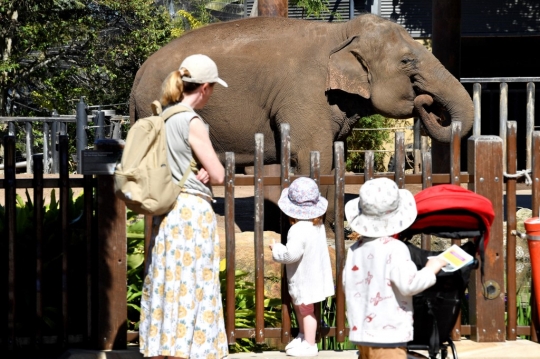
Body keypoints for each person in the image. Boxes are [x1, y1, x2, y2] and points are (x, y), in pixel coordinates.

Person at [139, 54, 228, 359]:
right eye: (213, 88)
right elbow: (218, 174)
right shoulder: (191, 121)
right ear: (204, 88)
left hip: (167, 211)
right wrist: (209, 171)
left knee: (169, 281)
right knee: (193, 283)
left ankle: (163, 348)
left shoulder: (162, 117)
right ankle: (189, 350)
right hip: (191, 213)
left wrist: (194, 168)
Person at [343, 178, 447, 359]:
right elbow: (409, 285)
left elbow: (347, 283)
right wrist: (431, 268)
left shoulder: (355, 249)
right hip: (388, 337)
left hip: (362, 334)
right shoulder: (396, 248)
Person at [269, 177, 335, 357]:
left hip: (305, 279)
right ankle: (303, 334)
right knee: (302, 308)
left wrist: (277, 249)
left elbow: (291, 255)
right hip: (313, 276)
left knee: (306, 311)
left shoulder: (297, 230)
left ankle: (310, 344)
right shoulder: (317, 225)